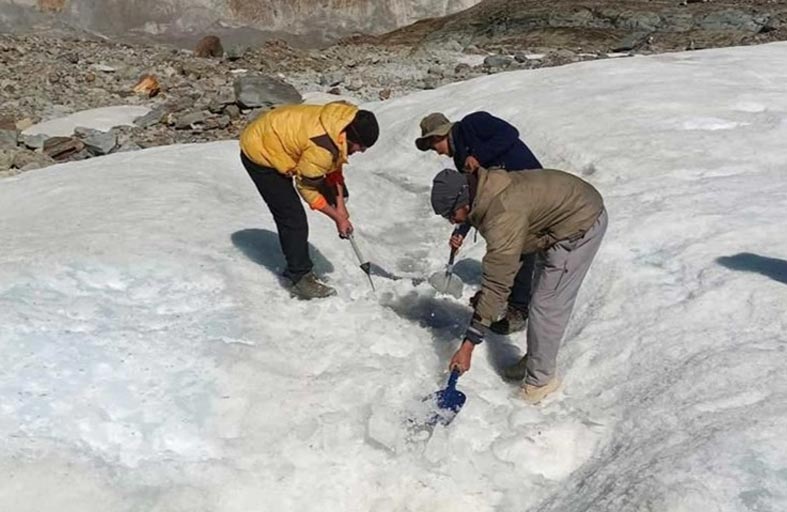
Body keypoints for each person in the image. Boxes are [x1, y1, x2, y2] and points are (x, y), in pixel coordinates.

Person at [430, 167, 607, 403]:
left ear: (463, 201)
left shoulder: (501, 214)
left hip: (579, 222)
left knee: (547, 304)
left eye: (451, 214)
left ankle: (541, 382)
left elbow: (497, 281)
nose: (452, 221)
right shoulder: (484, 191)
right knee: (541, 296)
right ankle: (537, 358)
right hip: (555, 221)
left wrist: (468, 346)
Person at [415, 111, 542, 335]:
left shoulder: (474, 123)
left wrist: (480, 155)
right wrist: (461, 231)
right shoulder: (459, 157)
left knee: (522, 247)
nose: (438, 153)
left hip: (531, 185)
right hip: (503, 198)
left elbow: (510, 134)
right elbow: (471, 195)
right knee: (504, 246)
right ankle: (499, 300)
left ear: (439, 136)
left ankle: (518, 310)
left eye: (435, 148)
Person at [239, 101, 379, 299]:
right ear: (350, 138)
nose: (362, 151)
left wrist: (340, 207)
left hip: (284, 137)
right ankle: (299, 278)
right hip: (261, 152)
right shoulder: (322, 147)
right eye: (361, 147)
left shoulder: (341, 122)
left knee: (337, 192)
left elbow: (334, 164)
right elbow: (306, 188)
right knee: (292, 217)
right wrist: (337, 218)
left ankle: (299, 270)